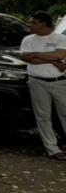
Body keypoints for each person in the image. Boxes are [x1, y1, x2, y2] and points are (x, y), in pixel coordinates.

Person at [20, 11, 66, 161]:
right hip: (37, 81)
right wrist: (53, 59)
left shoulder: (61, 38)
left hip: (60, 81)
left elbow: (60, 57)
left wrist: (37, 55)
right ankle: (52, 149)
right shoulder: (28, 40)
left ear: (43, 24)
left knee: (64, 114)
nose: (30, 25)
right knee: (43, 116)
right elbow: (27, 58)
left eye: (34, 22)